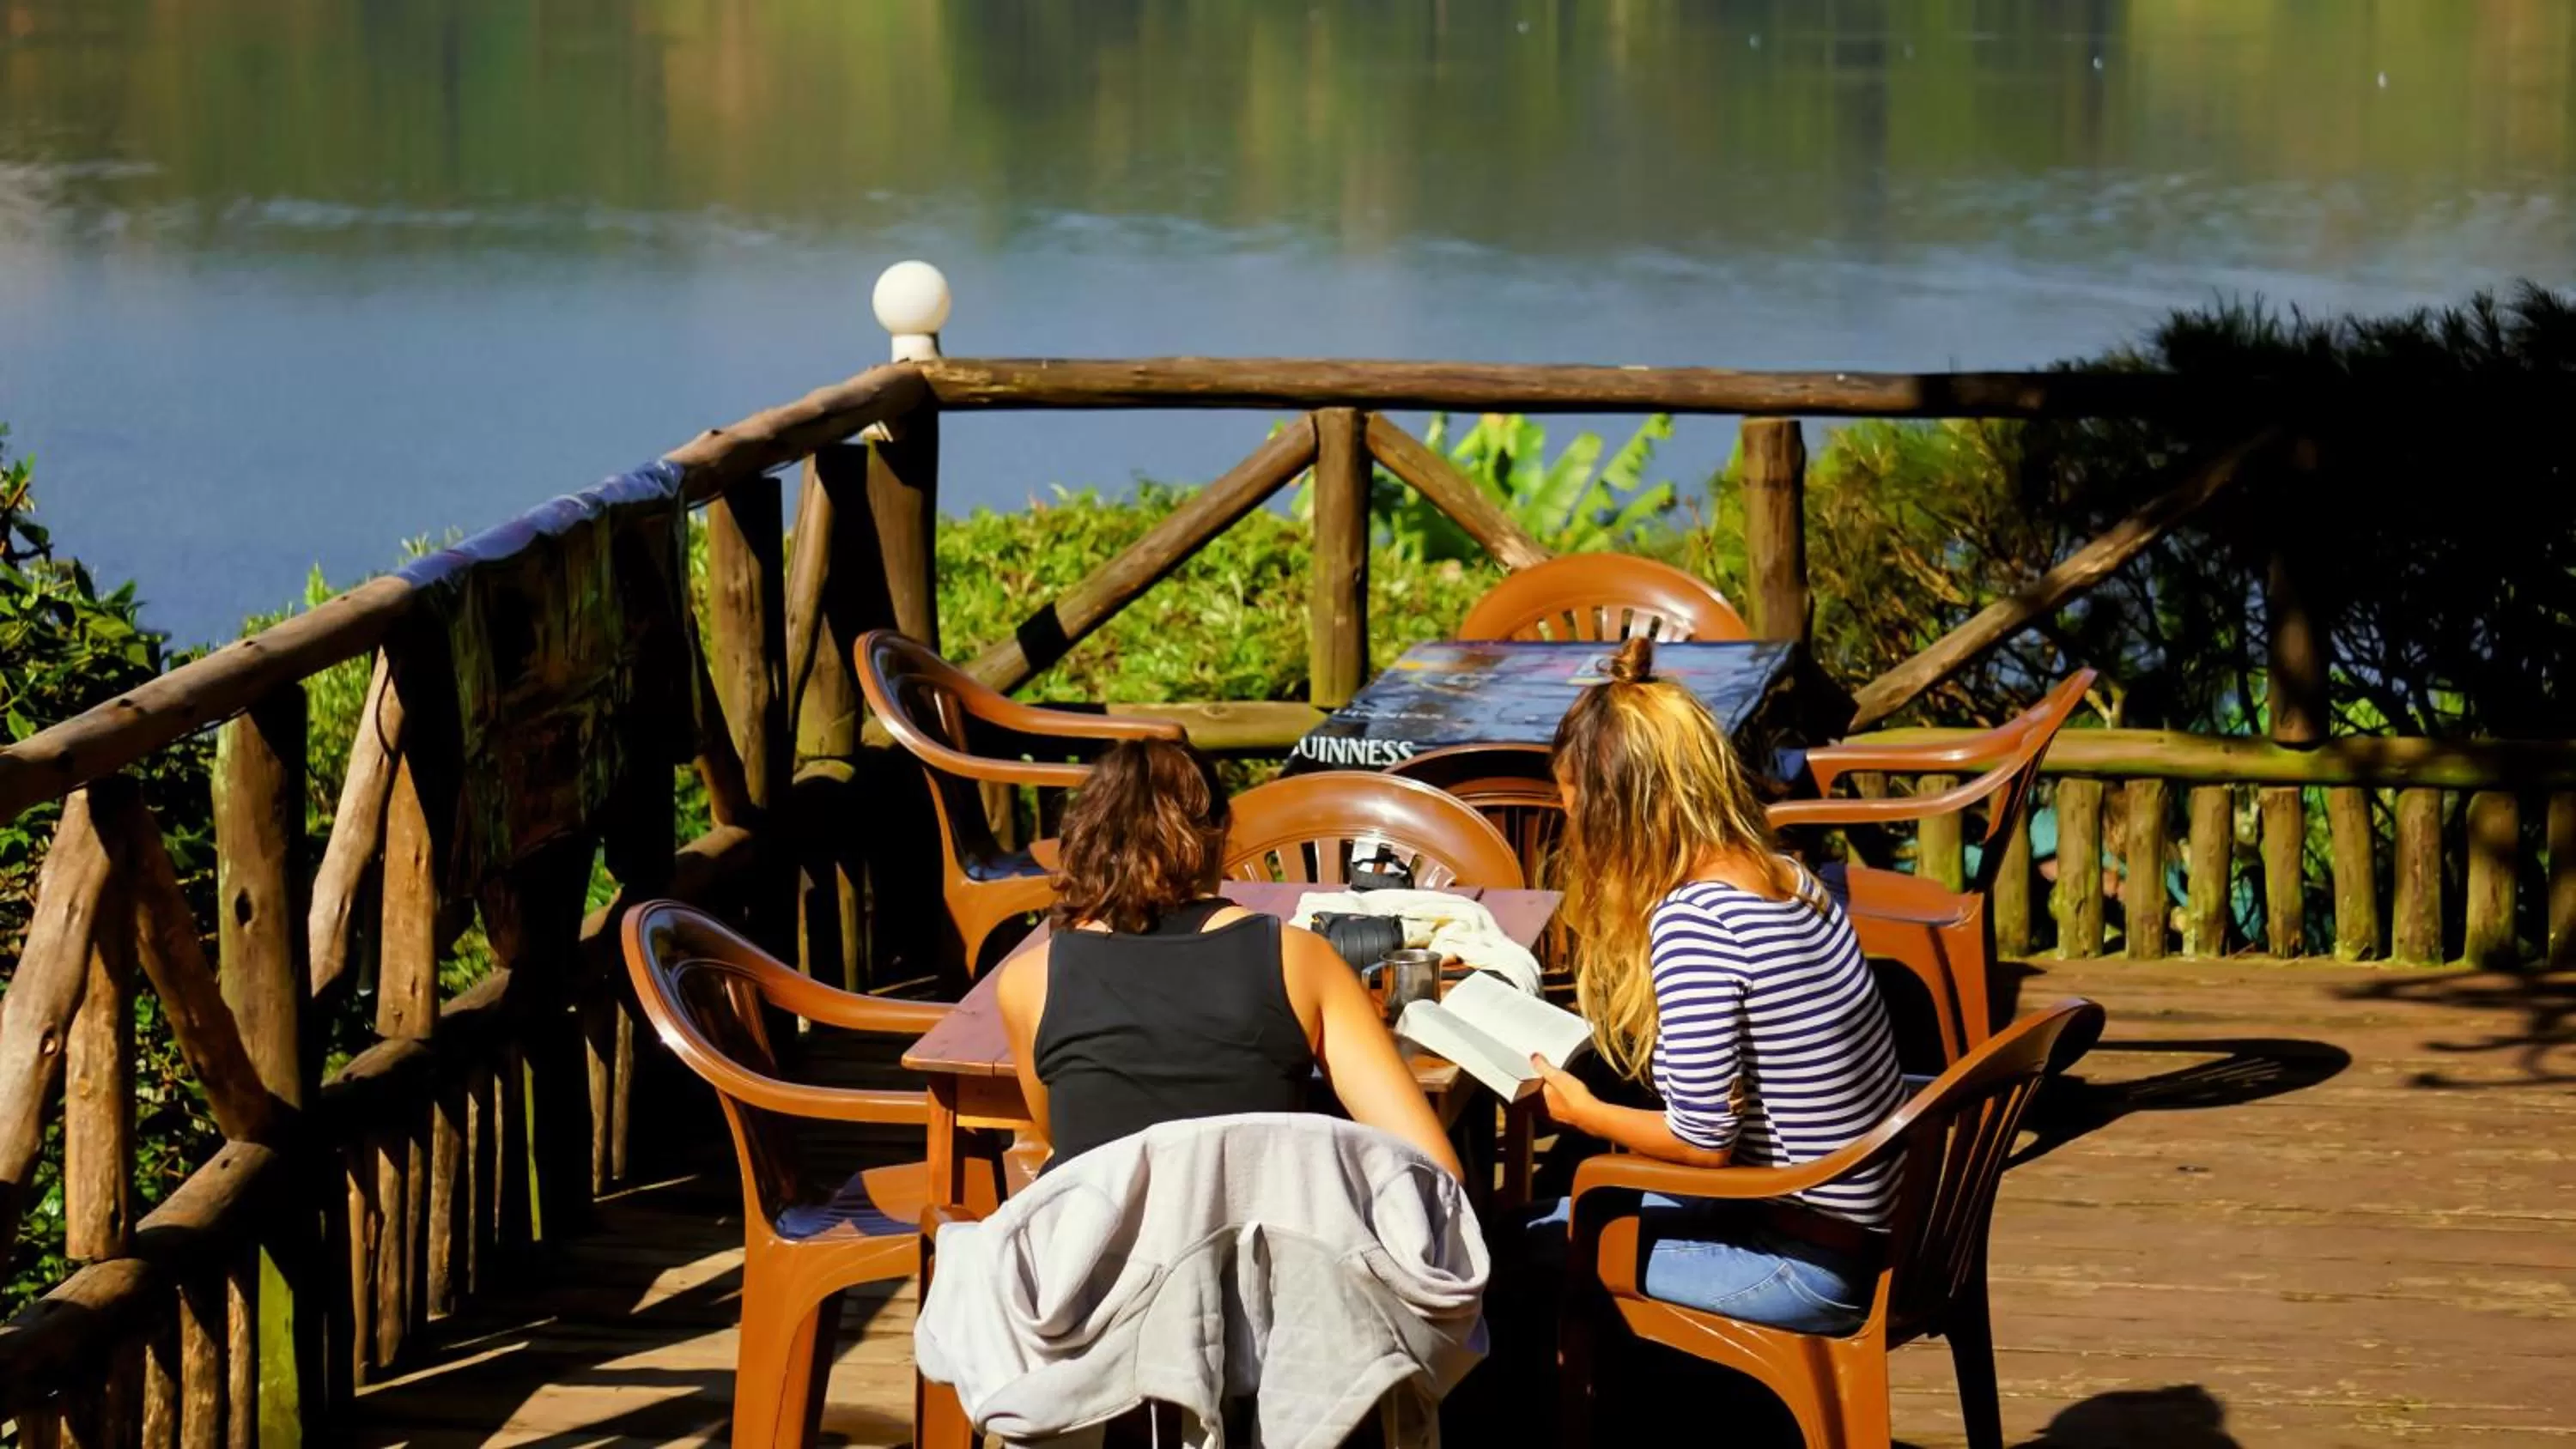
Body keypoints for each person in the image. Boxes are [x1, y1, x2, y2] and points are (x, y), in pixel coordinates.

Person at [1521, 632, 1907, 1334]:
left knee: (1507, 1248)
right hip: (1858, 1226)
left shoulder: (1696, 922)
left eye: (1573, 808)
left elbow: (1703, 1143)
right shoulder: (1784, 874)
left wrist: (1580, 1112)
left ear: (1616, 812)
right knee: (1551, 1213)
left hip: (1804, 1260)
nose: (1572, 830)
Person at [993, 735, 1462, 1179]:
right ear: (1219, 835)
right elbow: (1435, 1168)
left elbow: (1062, 1134)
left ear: (1087, 839)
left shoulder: (1030, 978)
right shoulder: (1297, 959)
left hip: (1101, 1237)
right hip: (1257, 1234)